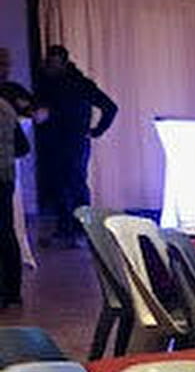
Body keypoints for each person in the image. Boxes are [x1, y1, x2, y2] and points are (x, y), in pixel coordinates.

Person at [35, 43, 116, 247]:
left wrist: (96, 131)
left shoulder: (78, 84)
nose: (50, 67)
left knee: (73, 185)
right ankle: (72, 230)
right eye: (49, 63)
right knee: (67, 185)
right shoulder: (51, 83)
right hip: (62, 143)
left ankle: (78, 230)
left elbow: (110, 107)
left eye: (53, 63)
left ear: (63, 63)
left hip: (72, 143)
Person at [0, 93, 22, 305]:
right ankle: (12, 290)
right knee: (6, 231)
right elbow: (22, 146)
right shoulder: (6, 107)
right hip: (6, 175)